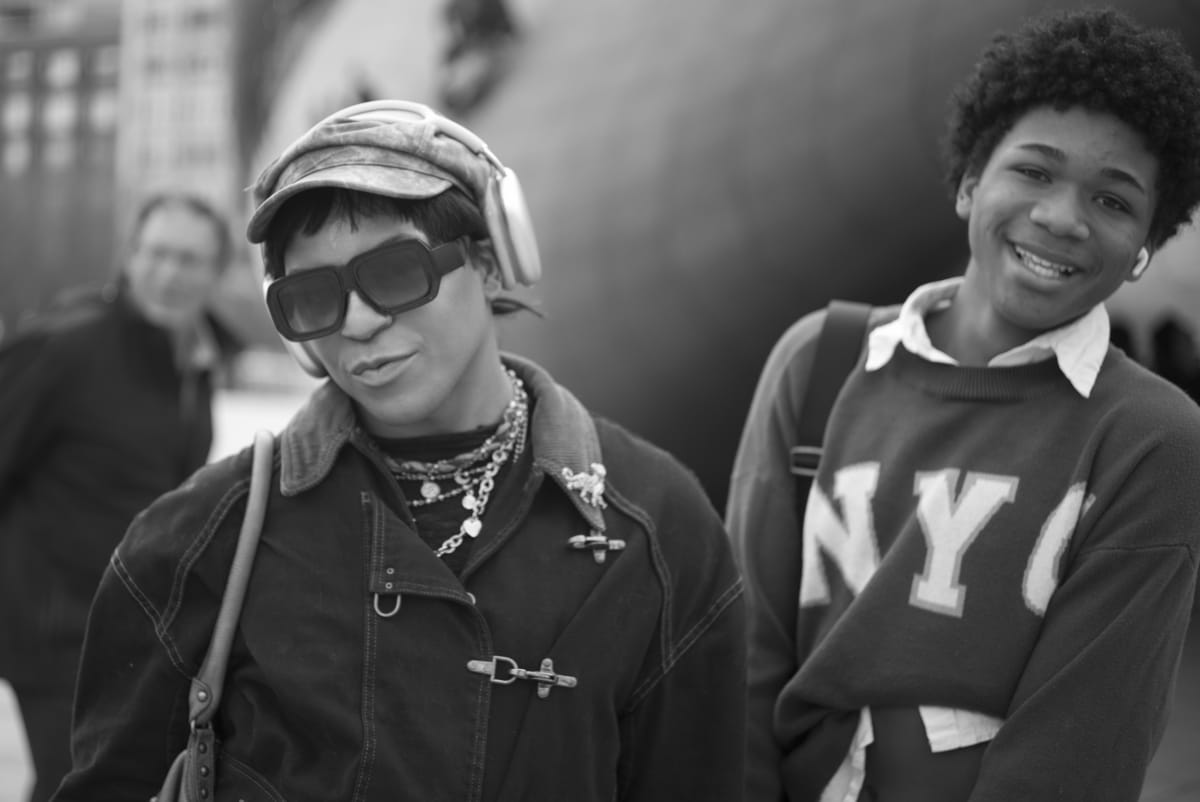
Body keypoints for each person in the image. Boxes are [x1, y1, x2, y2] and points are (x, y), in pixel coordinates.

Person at [54, 100, 745, 801]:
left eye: (394, 273)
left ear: (493, 263)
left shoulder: (657, 527)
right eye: (313, 296)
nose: (357, 323)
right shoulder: (201, 539)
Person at [727, 8, 1200, 802]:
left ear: (1147, 247)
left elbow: (1085, 744)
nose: (1062, 218)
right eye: (1034, 171)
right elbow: (741, 660)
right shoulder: (820, 362)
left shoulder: (1153, 441)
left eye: (1115, 203)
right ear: (969, 182)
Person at [0, 192, 235, 802]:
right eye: (156, 253)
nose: (169, 273)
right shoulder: (65, 348)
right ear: (129, 258)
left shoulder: (196, 364)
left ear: (217, 271)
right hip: (52, 634)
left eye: (189, 259)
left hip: (132, 633)